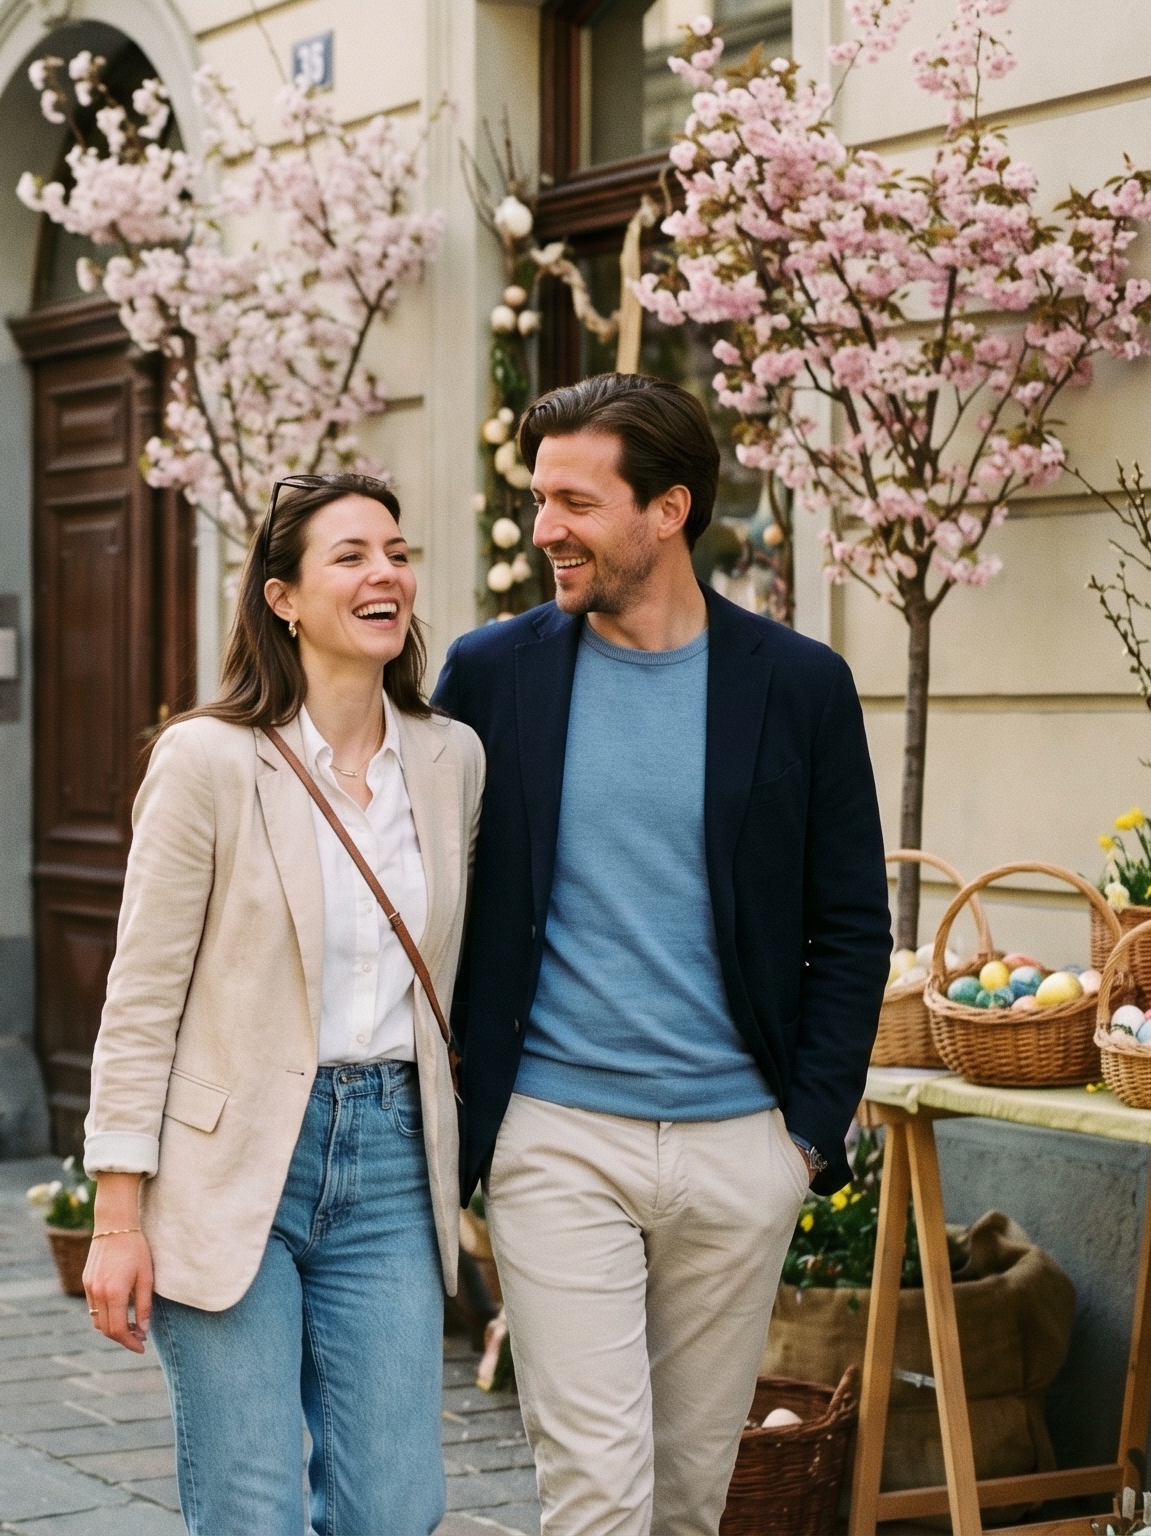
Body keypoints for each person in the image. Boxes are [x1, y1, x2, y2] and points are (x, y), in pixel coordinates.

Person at [431, 373, 889, 1536]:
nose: (544, 530)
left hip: (741, 1150)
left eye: (574, 504)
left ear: (668, 509)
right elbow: (425, 876)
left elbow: (849, 923)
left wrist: (804, 1137)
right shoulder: (490, 676)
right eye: (538, 500)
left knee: (690, 1499)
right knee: (595, 1490)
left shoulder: (798, 685)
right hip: (555, 1138)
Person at [79, 473, 484, 1536]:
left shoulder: (449, 760)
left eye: (395, 552)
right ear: (283, 599)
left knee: (393, 1506)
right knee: (251, 1503)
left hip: (393, 1157)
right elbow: (141, 997)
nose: (384, 573)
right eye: (349, 555)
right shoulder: (208, 760)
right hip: (230, 1157)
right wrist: (116, 1215)